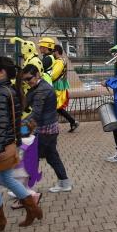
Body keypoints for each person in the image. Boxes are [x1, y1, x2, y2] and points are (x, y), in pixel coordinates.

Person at [0, 57, 43, 229]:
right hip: (9, 144)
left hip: (2, 146)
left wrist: (0, 147)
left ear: (1, 72)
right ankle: (32, 210)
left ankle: (3, 220)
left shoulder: (2, 93)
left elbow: (2, 124)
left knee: (8, 179)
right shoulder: (11, 90)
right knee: (8, 179)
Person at [22, 63, 72, 191]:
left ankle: (24, 189)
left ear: (37, 75)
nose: (27, 82)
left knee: (32, 157)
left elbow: (36, 114)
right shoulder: (38, 87)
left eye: (29, 78)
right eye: (25, 80)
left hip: (46, 130)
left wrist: (19, 126)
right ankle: (65, 183)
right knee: (52, 157)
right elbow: (27, 104)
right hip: (48, 128)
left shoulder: (42, 89)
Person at [52, 45, 79, 132]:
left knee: (56, 107)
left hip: (57, 86)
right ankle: (73, 122)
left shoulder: (59, 61)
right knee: (57, 107)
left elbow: (53, 74)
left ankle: (72, 122)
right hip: (60, 85)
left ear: (56, 51)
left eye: (53, 51)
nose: (52, 53)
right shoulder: (63, 60)